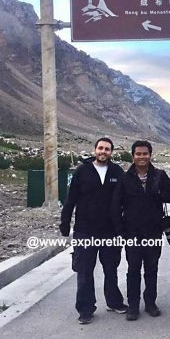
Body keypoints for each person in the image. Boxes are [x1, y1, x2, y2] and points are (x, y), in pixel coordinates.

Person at [60, 137, 127, 324]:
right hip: (85, 230)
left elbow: (125, 200)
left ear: (111, 152)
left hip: (110, 231)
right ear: (95, 150)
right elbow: (70, 199)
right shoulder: (82, 171)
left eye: (107, 149)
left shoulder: (117, 172)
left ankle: (114, 302)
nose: (103, 152)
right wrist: (65, 223)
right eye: (100, 148)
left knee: (111, 268)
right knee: (84, 271)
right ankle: (85, 309)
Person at [111, 140, 170, 321]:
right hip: (132, 233)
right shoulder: (124, 178)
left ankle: (150, 303)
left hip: (153, 232)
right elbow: (116, 206)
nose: (142, 157)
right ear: (133, 156)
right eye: (138, 154)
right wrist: (121, 231)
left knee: (152, 269)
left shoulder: (160, 176)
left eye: (145, 153)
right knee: (133, 269)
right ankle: (133, 306)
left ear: (150, 155)